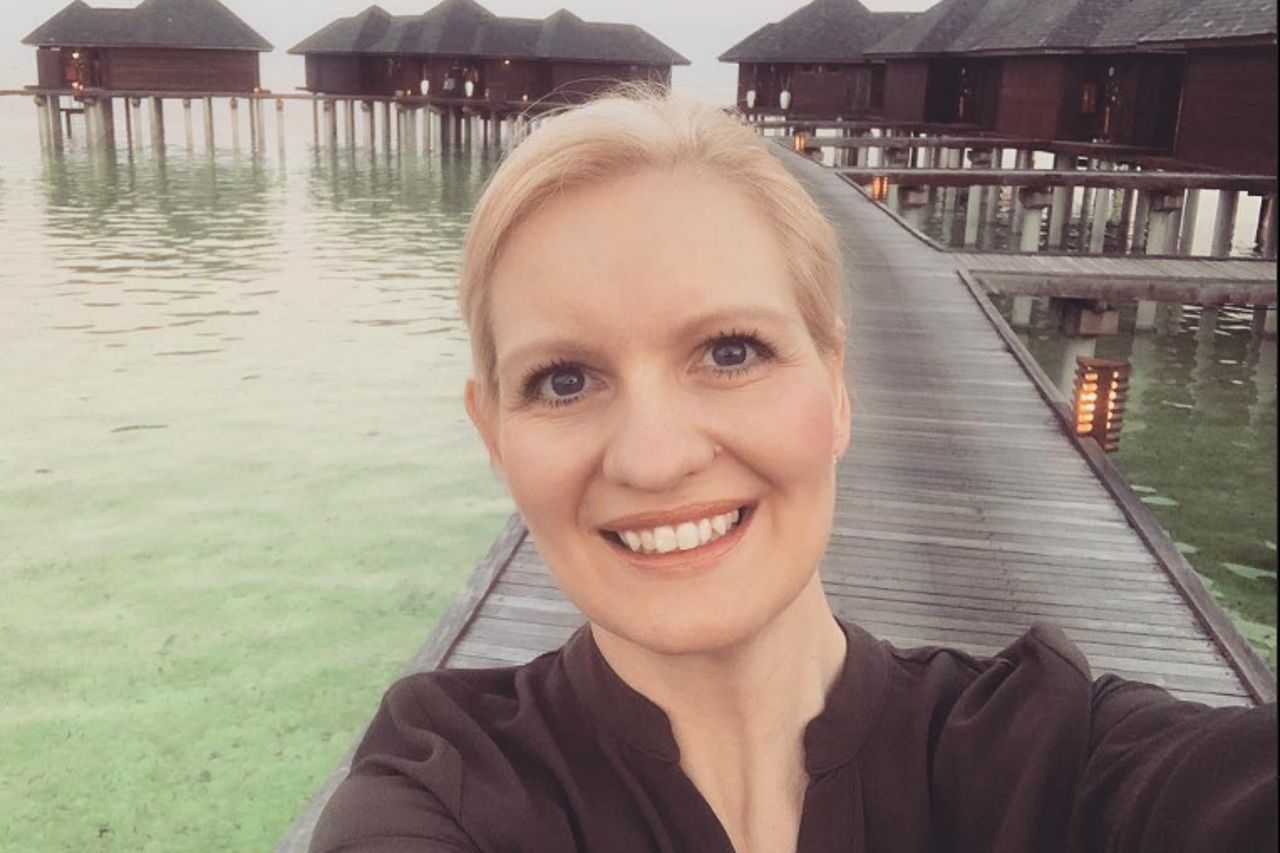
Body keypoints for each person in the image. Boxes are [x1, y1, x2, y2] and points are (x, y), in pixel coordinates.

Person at [310, 89, 1277, 853]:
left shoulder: (1051, 758)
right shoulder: (446, 788)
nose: (655, 456)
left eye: (730, 351)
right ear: (494, 435)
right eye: (564, 379)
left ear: (837, 385)